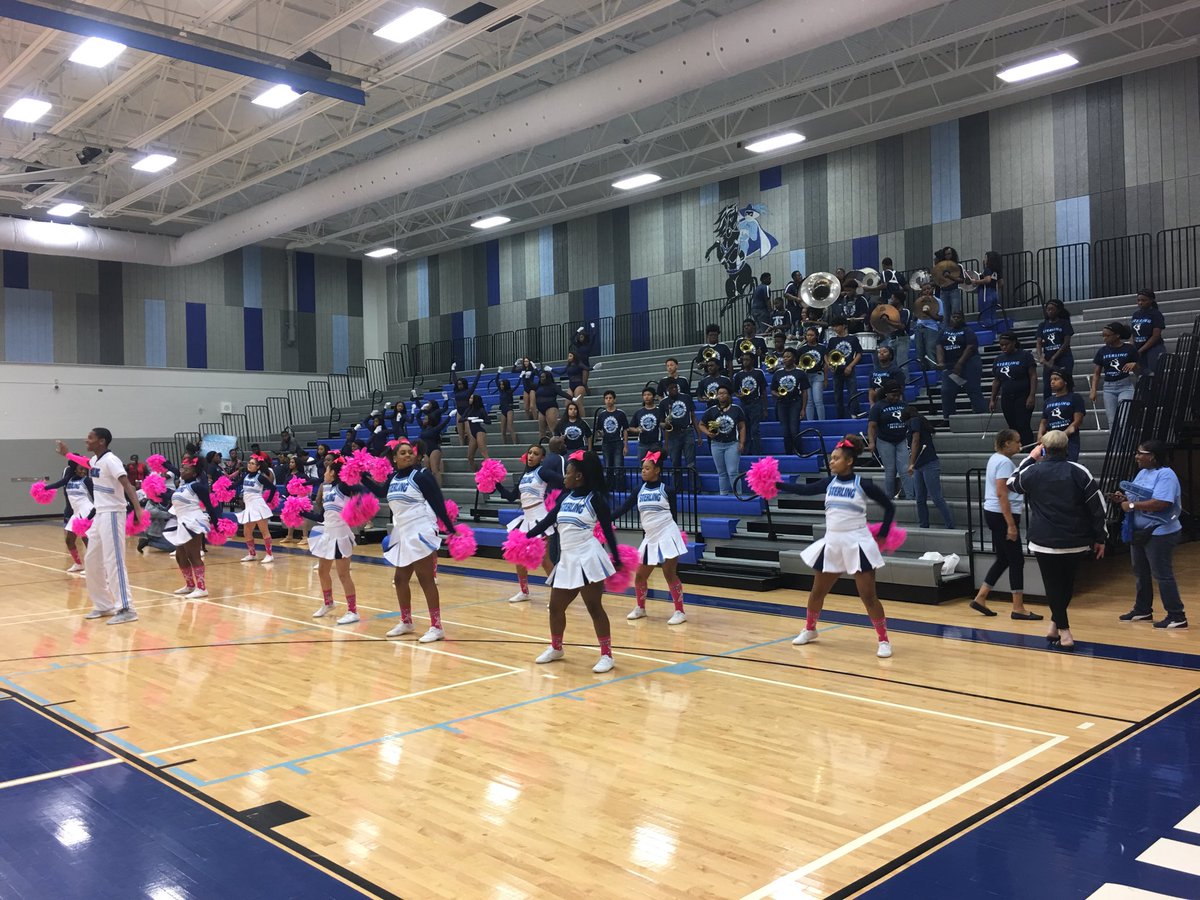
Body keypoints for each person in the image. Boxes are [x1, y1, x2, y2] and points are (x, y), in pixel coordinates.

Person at [775, 435, 895, 657]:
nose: (831, 462)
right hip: (832, 542)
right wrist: (777, 484)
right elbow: (802, 490)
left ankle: (883, 640)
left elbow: (889, 507)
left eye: (836, 458)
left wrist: (884, 535)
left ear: (849, 461)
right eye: (831, 458)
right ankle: (810, 629)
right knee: (817, 592)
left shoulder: (863, 484)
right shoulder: (828, 483)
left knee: (868, 596)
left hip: (857, 543)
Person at [1006, 430, 1107, 650]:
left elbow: (1011, 482)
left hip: (1044, 540)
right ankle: (1057, 626)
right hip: (1075, 539)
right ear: (1067, 448)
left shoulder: (1033, 471)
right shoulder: (1079, 471)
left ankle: (1064, 630)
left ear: (1043, 448)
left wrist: (1031, 457)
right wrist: (1101, 536)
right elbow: (1098, 507)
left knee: (1053, 586)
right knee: (1066, 584)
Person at [527, 451, 623, 673]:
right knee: (556, 607)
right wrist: (527, 536)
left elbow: (608, 531)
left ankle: (607, 655)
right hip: (567, 559)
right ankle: (556, 647)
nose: (564, 477)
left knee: (594, 607)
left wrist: (616, 558)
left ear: (579, 476)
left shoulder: (595, 499)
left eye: (568, 473)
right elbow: (549, 520)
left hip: (588, 557)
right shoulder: (565, 497)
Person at [371, 440, 457, 641]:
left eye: (410, 452)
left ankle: (437, 627)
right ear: (395, 458)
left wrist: (451, 530)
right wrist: (362, 477)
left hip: (419, 530)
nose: (408, 455)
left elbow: (437, 502)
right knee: (400, 579)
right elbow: (380, 492)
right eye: (403, 453)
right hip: (402, 532)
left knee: (425, 578)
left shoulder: (421, 476)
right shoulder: (393, 477)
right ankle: (406, 622)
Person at [55, 429, 142, 624]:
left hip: (113, 513)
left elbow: (128, 485)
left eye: (91, 437)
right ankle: (104, 605)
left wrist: (138, 510)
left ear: (101, 441)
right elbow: (86, 463)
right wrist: (67, 455)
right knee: (92, 560)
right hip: (100, 515)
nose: (87, 440)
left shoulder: (112, 460)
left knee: (114, 561)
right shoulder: (95, 460)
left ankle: (127, 608)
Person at [1112, 440, 1186, 628]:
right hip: (1140, 531)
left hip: (1160, 532)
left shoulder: (1166, 475)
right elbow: (1138, 498)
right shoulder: (1142, 473)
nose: (1136, 456)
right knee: (1140, 572)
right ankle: (1143, 609)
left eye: (1140, 453)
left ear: (1152, 456)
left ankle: (1177, 615)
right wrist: (1124, 498)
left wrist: (1130, 505)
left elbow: (1162, 503)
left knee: (1162, 574)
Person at [612, 451, 688, 625]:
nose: (643, 472)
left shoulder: (667, 490)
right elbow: (624, 508)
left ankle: (679, 611)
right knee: (640, 576)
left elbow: (674, 516)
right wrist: (605, 519)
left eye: (647, 468)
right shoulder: (639, 489)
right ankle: (640, 608)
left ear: (657, 470)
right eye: (642, 469)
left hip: (668, 534)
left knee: (669, 573)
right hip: (650, 538)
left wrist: (674, 537)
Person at [970, 430, 1039, 619]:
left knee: (1003, 558)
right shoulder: (1004, 463)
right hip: (1001, 515)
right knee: (1016, 560)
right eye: (1017, 441)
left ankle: (981, 597)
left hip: (993, 512)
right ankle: (1018, 608)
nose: (1020, 444)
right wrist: (1011, 524)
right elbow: (1002, 493)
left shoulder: (995, 458)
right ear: (1007, 443)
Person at [303, 453, 369, 626]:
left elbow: (363, 491)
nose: (324, 472)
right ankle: (328, 603)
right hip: (327, 532)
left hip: (340, 534)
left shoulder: (344, 487)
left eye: (327, 469)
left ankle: (353, 611)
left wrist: (357, 508)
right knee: (322, 571)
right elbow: (321, 515)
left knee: (343, 574)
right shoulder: (326, 489)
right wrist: (301, 512)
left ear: (332, 472)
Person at [494, 443, 564, 602]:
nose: (531, 456)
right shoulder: (524, 476)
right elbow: (511, 497)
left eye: (536, 454)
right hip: (526, 519)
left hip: (540, 519)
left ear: (542, 458)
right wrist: (496, 483)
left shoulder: (543, 471)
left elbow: (563, 482)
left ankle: (558, 596)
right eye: (530, 453)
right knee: (519, 558)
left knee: (545, 561)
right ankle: (524, 592)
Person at [163, 456, 220, 599]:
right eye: (182, 468)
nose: (182, 470)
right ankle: (190, 585)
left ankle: (202, 588)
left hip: (193, 521)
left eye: (186, 469)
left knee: (193, 555)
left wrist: (217, 524)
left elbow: (209, 506)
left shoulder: (197, 486)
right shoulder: (180, 486)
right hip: (181, 521)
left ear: (194, 473)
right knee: (180, 556)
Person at [904, 406, 954, 528]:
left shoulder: (914, 421)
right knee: (920, 499)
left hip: (928, 463)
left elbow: (915, 441)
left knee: (936, 498)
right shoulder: (918, 420)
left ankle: (950, 525)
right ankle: (923, 525)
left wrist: (911, 463)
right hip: (920, 465)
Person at [989, 332, 1038, 447]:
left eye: (1006, 344)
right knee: (1012, 425)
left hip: (1023, 395)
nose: (1004, 347)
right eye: (1001, 345)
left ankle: (1028, 448)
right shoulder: (998, 359)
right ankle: (1016, 447)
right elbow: (997, 380)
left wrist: (1032, 395)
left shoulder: (1025, 356)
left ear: (1014, 343)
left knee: (1023, 424)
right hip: (1007, 397)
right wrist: (992, 398)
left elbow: (1033, 376)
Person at [44, 461, 93, 573]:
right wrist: (45, 488)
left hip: (86, 511)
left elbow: (95, 498)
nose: (83, 471)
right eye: (81, 469)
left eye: (85, 469)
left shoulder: (86, 480)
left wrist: (91, 515)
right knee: (69, 540)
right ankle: (78, 564)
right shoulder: (69, 480)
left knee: (86, 539)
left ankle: (91, 566)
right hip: (76, 513)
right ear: (75, 469)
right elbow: (57, 484)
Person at [867, 380, 911, 500]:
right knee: (890, 470)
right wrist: (871, 442)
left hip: (902, 439)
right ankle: (889, 499)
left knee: (905, 469)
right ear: (886, 394)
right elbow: (871, 426)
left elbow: (911, 421)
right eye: (893, 395)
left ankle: (911, 497)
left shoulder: (904, 405)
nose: (896, 397)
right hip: (885, 441)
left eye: (898, 395)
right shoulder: (878, 406)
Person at [937, 310, 986, 418]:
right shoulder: (943, 331)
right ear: (950, 318)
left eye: (958, 317)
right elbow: (939, 346)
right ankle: (948, 418)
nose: (955, 319)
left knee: (973, 389)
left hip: (969, 364)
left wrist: (959, 364)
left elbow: (970, 348)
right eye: (953, 317)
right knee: (946, 391)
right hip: (950, 365)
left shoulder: (967, 331)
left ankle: (982, 416)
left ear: (963, 319)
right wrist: (940, 362)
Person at [1090, 321, 1139, 427]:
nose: (1104, 338)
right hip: (1108, 388)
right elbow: (1097, 372)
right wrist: (1093, 389)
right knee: (1112, 421)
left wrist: (1134, 365)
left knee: (1124, 419)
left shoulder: (1129, 349)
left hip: (1125, 386)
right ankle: (1115, 444)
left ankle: (1125, 443)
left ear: (1117, 335)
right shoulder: (1102, 351)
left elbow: (1139, 371)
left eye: (1107, 336)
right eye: (1102, 336)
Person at [701, 386, 746, 495]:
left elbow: (742, 427)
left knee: (732, 471)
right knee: (721, 473)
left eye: (724, 393)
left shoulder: (736, 409)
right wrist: (707, 433)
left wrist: (742, 442)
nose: (721, 395)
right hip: (716, 444)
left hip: (732, 444)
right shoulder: (711, 410)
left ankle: (738, 494)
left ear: (729, 395)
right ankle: (723, 494)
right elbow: (701, 424)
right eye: (719, 393)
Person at [232, 455, 277, 564]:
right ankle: (252, 553)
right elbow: (236, 484)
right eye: (249, 463)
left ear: (257, 467)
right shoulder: (245, 476)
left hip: (258, 506)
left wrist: (268, 501)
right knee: (247, 532)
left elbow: (273, 488)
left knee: (264, 531)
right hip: (249, 507)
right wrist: (225, 488)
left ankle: (269, 555)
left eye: (252, 463)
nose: (249, 465)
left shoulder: (260, 477)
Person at [1038, 369, 1086, 462]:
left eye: (1056, 379)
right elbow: (1043, 421)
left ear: (1065, 381)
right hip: (1051, 440)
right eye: (1051, 380)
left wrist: (1062, 435)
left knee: (1068, 464)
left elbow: (1077, 421)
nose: (1052, 382)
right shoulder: (1048, 400)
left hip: (1069, 440)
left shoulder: (1075, 397)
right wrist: (1040, 436)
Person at [770, 348, 806, 456]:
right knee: (785, 431)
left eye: (788, 357)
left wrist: (803, 408)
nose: (785, 359)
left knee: (794, 429)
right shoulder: (778, 373)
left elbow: (804, 392)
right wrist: (778, 394)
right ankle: (788, 454)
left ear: (794, 358)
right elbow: (772, 390)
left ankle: (798, 452)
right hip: (782, 403)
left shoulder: (800, 372)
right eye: (784, 357)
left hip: (795, 402)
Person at [1035, 300, 1073, 398]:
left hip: (1064, 358)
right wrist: (1040, 357)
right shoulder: (1042, 325)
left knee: (1066, 383)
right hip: (1048, 358)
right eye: (1048, 309)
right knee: (1047, 385)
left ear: (1058, 310)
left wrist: (1053, 358)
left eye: (1052, 309)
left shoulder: (1064, 323)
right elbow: (1039, 343)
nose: (1050, 311)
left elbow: (1066, 343)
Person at [733, 353, 768, 455]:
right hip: (744, 404)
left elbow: (763, 391)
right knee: (745, 429)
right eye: (743, 360)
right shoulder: (738, 375)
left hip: (755, 403)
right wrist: (739, 396)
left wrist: (765, 408)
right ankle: (746, 451)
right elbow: (735, 390)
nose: (745, 362)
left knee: (755, 430)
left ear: (752, 361)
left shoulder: (758, 373)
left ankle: (758, 453)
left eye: (747, 360)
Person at [659, 380, 699, 471]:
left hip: (687, 431)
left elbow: (693, 416)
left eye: (675, 387)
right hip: (673, 434)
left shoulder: (687, 398)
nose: (674, 389)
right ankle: (678, 485)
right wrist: (665, 424)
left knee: (691, 463)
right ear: (667, 390)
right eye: (671, 388)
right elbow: (660, 423)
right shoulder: (663, 403)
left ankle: (694, 484)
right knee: (675, 464)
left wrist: (699, 435)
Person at [827, 319, 863, 418]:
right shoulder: (832, 340)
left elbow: (859, 353)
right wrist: (829, 365)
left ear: (844, 326)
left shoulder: (853, 339)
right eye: (833, 326)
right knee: (837, 395)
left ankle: (854, 413)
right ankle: (840, 416)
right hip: (836, 370)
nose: (835, 328)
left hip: (849, 368)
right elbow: (827, 354)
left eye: (837, 326)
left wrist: (850, 366)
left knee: (853, 393)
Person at [592, 391, 629, 487]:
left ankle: (620, 488)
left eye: (610, 398)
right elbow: (600, 430)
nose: (608, 400)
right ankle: (609, 488)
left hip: (618, 442)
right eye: (606, 398)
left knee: (618, 467)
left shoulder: (620, 413)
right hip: (606, 443)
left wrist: (625, 445)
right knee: (608, 467)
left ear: (614, 399)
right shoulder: (601, 415)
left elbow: (625, 430)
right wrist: (599, 433)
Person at [417, 398, 453, 486]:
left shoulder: (435, 429)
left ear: (429, 420)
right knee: (427, 470)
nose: (423, 420)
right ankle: (430, 487)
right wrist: (421, 409)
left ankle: (439, 489)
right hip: (426, 451)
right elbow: (417, 417)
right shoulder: (423, 428)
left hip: (434, 450)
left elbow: (443, 424)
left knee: (435, 470)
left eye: (425, 419)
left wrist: (450, 416)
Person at [1130, 289, 1166, 376]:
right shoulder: (1136, 314)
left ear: (1151, 300)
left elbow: (1156, 335)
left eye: (1143, 300)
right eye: (1138, 300)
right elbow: (1132, 333)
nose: (1140, 303)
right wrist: (1132, 347)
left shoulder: (1156, 314)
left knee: (1153, 374)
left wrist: (1141, 350)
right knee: (1141, 374)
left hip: (1153, 348)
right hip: (1138, 347)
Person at [535, 368, 573, 444]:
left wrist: (572, 398)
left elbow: (561, 393)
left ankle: (559, 446)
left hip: (551, 407)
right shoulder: (538, 386)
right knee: (541, 430)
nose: (541, 378)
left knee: (554, 430)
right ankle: (540, 447)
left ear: (547, 378)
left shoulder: (553, 386)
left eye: (543, 377)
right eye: (541, 377)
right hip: (541, 409)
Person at [451, 362, 485, 446]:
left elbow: (475, 383)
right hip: (459, 412)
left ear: (464, 384)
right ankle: (462, 446)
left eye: (460, 384)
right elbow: (455, 380)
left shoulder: (468, 391)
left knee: (469, 432)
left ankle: (471, 447)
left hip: (467, 412)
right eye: (458, 384)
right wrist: (452, 370)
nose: (459, 385)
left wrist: (480, 370)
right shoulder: (456, 391)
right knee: (460, 433)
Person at [912, 282, 943, 373]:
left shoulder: (938, 301)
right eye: (924, 289)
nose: (926, 291)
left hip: (932, 328)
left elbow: (941, 318)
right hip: (919, 327)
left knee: (930, 351)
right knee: (919, 352)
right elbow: (915, 317)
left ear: (932, 289)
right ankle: (924, 374)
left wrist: (929, 313)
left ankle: (933, 373)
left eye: (928, 289)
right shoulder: (918, 302)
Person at [630, 388, 666, 462]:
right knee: (643, 467)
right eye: (644, 395)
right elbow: (630, 427)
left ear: (653, 396)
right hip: (642, 444)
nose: (646, 397)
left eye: (649, 395)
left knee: (656, 466)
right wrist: (637, 430)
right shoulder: (638, 412)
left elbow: (665, 425)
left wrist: (664, 424)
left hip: (656, 443)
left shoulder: (659, 411)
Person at [800, 326, 827, 421]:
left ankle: (822, 421)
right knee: (808, 401)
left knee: (818, 400)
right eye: (807, 335)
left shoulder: (822, 348)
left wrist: (826, 379)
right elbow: (799, 365)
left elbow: (825, 364)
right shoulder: (802, 349)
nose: (809, 337)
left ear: (816, 336)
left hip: (818, 375)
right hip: (806, 376)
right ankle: (810, 422)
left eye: (811, 335)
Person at [973, 250, 1003, 329]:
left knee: (986, 314)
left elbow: (987, 280)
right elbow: (1001, 283)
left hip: (986, 294)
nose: (984, 259)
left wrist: (976, 281)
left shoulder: (987, 269)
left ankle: (989, 332)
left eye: (985, 257)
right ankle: (995, 332)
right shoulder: (997, 271)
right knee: (993, 314)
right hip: (994, 293)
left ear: (989, 259)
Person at [935, 246, 965, 319]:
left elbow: (962, 280)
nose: (948, 256)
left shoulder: (958, 266)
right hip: (943, 291)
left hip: (954, 290)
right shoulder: (941, 267)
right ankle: (946, 329)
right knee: (945, 314)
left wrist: (950, 277)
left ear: (953, 254)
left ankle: (956, 329)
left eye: (949, 254)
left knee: (955, 312)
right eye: (946, 254)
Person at [464, 392, 492, 470]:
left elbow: (488, 421)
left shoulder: (481, 410)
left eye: (471, 398)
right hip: (473, 434)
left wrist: (480, 420)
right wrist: (468, 418)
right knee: (470, 456)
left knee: (484, 453)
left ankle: (492, 472)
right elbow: (461, 419)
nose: (469, 400)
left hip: (479, 431)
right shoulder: (469, 409)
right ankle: (476, 473)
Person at [570, 322, 599, 388]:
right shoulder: (578, 345)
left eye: (582, 337)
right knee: (579, 383)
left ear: (585, 337)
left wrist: (593, 327)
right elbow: (571, 338)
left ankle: (589, 395)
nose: (581, 338)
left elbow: (594, 334)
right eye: (580, 337)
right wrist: (577, 331)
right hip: (578, 365)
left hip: (585, 365)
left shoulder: (589, 345)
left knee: (584, 383)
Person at [493, 369, 517, 444]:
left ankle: (515, 443)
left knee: (510, 427)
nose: (501, 386)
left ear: (506, 385)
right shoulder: (501, 391)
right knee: (502, 430)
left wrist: (520, 377)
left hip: (509, 409)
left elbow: (517, 386)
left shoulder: (509, 391)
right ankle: (505, 444)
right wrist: (499, 372)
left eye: (503, 384)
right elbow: (496, 380)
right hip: (503, 410)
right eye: (501, 385)